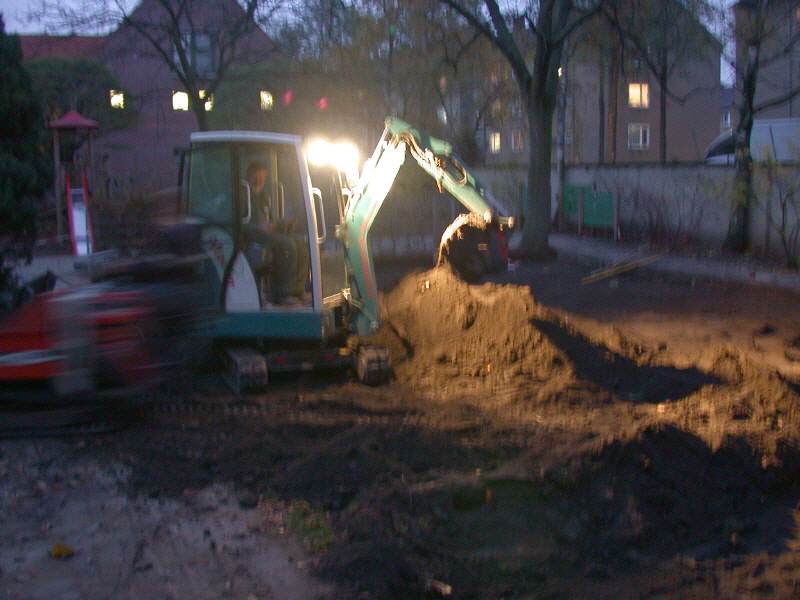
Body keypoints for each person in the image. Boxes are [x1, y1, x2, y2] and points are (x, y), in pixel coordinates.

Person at [244, 161, 308, 304]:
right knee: (287, 244)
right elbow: (242, 222)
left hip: (266, 235)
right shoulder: (243, 195)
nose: (259, 181)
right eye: (256, 177)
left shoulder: (263, 197)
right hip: (250, 237)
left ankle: (298, 290)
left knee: (301, 242)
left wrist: (282, 224)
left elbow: (270, 219)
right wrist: (258, 227)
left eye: (262, 178)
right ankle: (283, 294)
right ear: (249, 176)